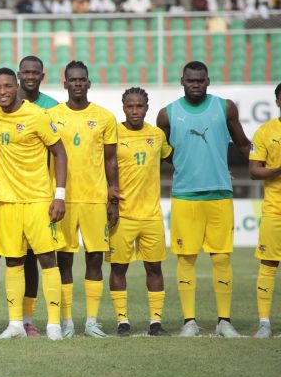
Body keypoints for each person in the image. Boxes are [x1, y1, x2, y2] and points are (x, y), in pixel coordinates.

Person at [156, 61, 252, 338]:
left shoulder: (225, 108)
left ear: (208, 81)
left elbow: (244, 144)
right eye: (190, 80)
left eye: (200, 80)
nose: (195, 84)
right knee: (186, 259)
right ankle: (189, 322)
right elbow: (158, 152)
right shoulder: (167, 114)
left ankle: (224, 321)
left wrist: (261, 168)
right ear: (182, 81)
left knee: (221, 258)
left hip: (220, 194)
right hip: (185, 196)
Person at [0, 68, 67, 341]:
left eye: (8, 86)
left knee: (46, 259)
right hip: (7, 202)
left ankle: (54, 324)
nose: (3, 92)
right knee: (13, 261)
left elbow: (60, 152)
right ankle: (15, 324)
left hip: (38, 200)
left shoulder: (37, 116)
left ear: (17, 86)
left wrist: (60, 195)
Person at [49, 61, 119, 338]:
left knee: (94, 259)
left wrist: (113, 197)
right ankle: (67, 321)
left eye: (82, 80)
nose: (77, 84)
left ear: (89, 83)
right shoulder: (52, 115)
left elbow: (111, 160)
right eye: (72, 80)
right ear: (64, 83)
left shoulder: (104, 117)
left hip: (94, 199)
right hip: (64, 199)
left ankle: (91, 320)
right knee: (63, 260)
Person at [109, 87, 171, 337]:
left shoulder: (157, 135)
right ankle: (122, 321)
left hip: (151, 214)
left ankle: (156, 322)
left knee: (154, 267)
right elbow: (104, 165)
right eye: (130, 106)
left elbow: (170, 159)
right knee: (118, 268)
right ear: (123, 107)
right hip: (122, 214)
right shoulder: (113, 133)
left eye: (140, 106)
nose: (135, 111)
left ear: (147, 107)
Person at [249, 83, 281, 338]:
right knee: (268, 263)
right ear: (278, 101)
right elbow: (254, 170)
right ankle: (264, 322)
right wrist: (278, 169)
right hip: (275, 210)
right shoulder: (265, 132)